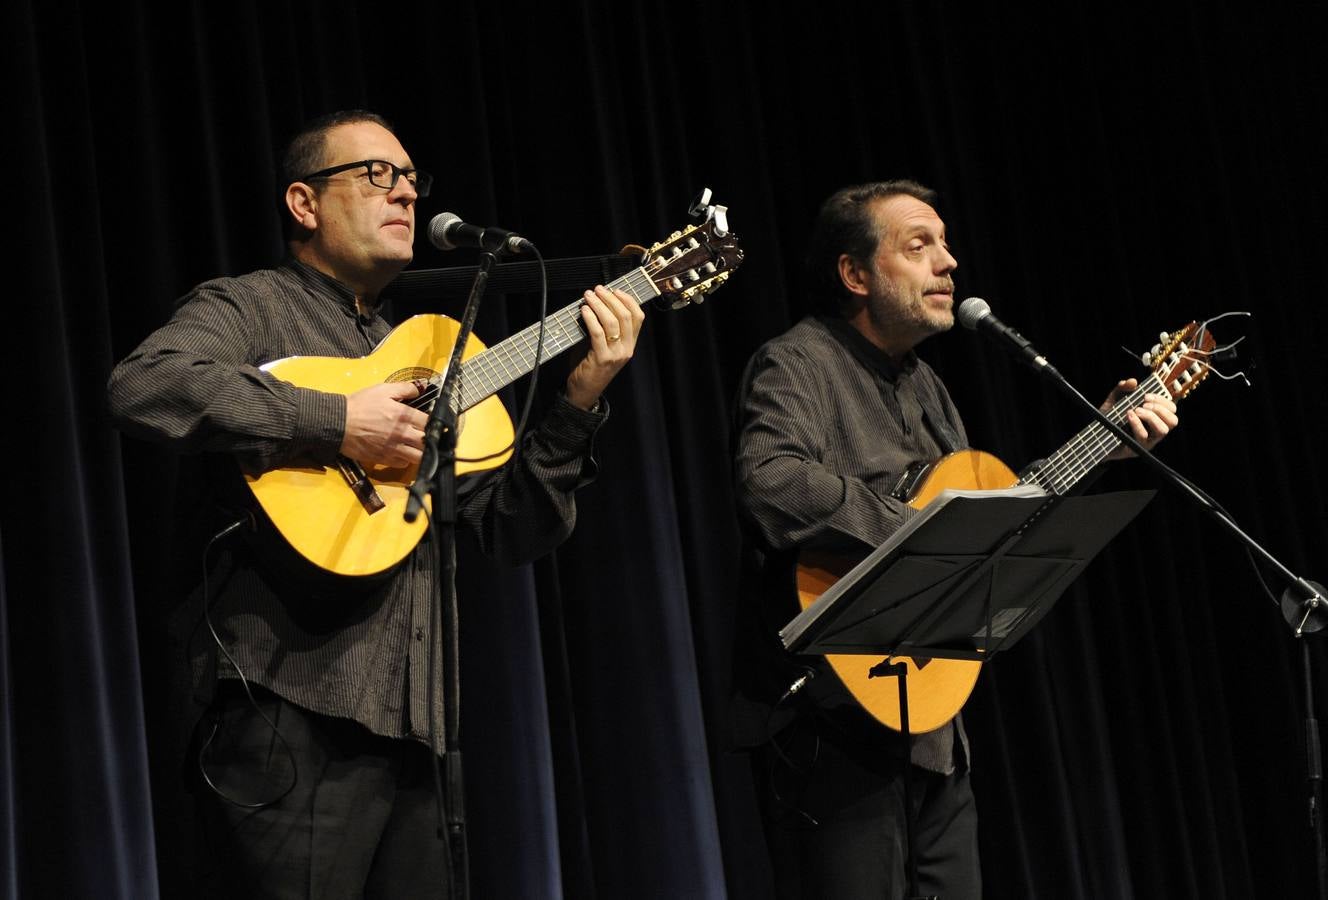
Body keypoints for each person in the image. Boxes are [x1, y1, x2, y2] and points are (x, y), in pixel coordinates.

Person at [107, 109, 644, 898]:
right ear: (303, 203)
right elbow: (144, 385)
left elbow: (505, 528)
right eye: (375, 174)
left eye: (411, 181)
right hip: (289, 714)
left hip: (418, 731)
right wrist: (339, 420)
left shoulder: (427, 352)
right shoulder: (253, 306)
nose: (404, 195)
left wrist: (579, 401)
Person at [731, 180, 1177, 898]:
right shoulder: (799, 362)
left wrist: (1104, 442)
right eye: (919, 246)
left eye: (944, 244)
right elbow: (772, 482)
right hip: (833, 724)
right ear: (855, 274)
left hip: (935, 733)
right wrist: (917, 535)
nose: (949, 264)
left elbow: (993, 519)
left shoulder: (930, 389)